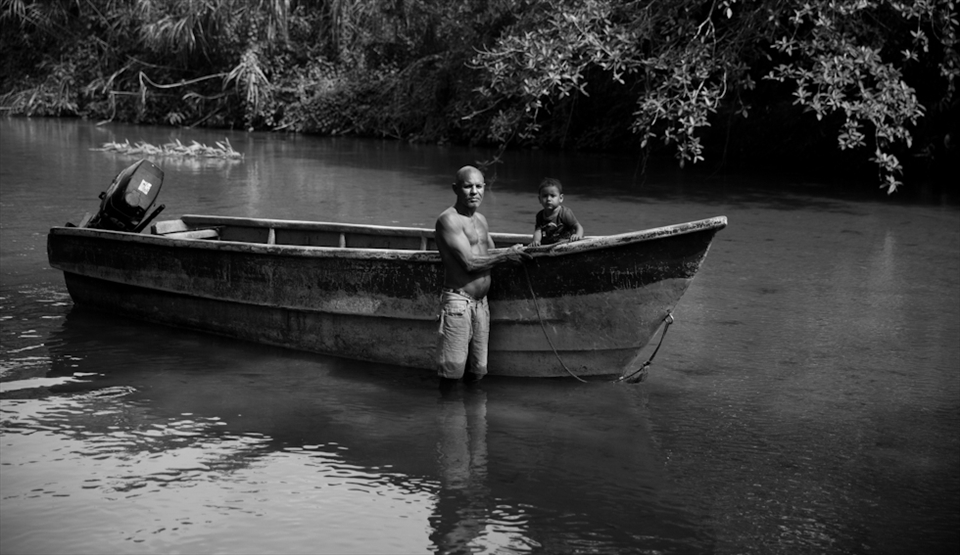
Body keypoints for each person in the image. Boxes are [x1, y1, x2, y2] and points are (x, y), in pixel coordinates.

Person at [435, 165, 530, 386]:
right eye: (468, 186)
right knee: (452, 374)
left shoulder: (482, 220)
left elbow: (490, 253)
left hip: (481, 305)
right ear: (455, 189)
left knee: (478, 372)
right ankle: (449, 418)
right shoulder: (448, 220)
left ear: (485, 188)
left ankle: (475, 417)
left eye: (479, 186)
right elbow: (469, 263)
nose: (474, 192)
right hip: (458, 303)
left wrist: (519, 251)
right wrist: (507, 256)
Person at [530, 177, 584, 246]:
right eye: (545, 196)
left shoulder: (564, 213)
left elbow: (578, 226)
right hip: (550, 244)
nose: (548, 199)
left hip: (566, 243)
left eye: (552, 196)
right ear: (539, 199)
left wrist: (577, 235)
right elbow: (538, 231)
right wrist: (536, 241)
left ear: (560, 198)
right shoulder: (540, 215)